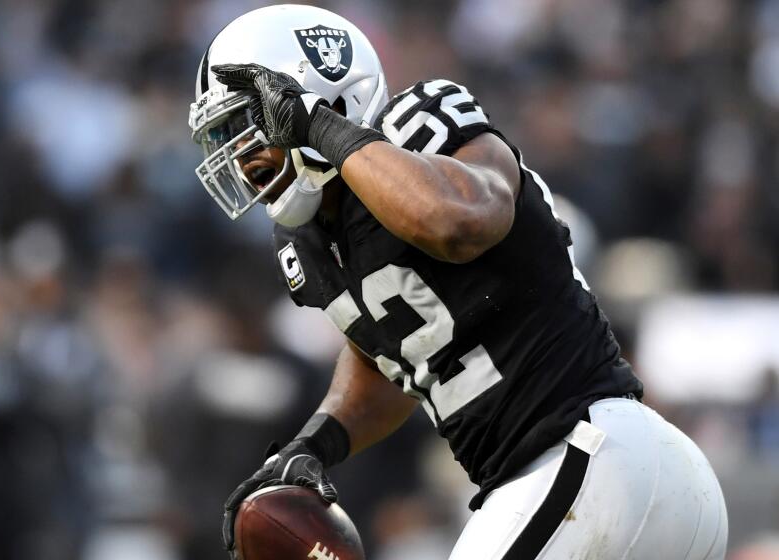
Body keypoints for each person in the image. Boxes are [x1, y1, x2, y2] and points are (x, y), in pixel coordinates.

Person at [187, 5, 728, 559]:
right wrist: (314, 446)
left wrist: (317, 127)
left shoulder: (419, 124)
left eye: (247, 122)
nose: (237, 151)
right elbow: (392, 354)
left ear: (317, 93)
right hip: (585, 484)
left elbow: (463, 220)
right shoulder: (305, 243)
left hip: (588, 455)